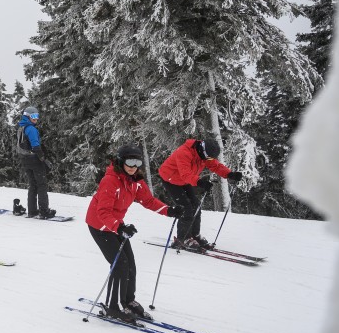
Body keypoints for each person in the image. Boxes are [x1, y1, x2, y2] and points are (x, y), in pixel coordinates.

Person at [86, 145, 184, 323]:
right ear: (121, 161)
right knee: (120, 265)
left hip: (116, 224)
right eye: (129, 161)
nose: (133, 166)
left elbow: (148, 201)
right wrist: (120, 227)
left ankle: (128, 300)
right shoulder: (110, 181)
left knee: (130, 264)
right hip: (99, 225)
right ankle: (112, 306)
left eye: (137, 162)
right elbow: (103, 211)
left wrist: (169, 211)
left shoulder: (135, 181)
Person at [157, 138, 243, 250]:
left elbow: (215, 165)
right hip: (170, 179)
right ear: (203, 150)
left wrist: (229, 174)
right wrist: (199, 182)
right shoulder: (184, 152)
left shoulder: (204, 154)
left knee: (196, 205)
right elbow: (185, 174)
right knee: (186, 207)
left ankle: (195, 235)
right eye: (208, 157)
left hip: (184, 180)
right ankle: (183, 238)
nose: (209, 159)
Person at [16, 106, 56, 219]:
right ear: (27, 116)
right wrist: (43, 159)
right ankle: (44, 211)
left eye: (37, 116)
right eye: (33, 116)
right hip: (34, 159)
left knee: (32, 185)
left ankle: (32, 210)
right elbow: (35, 146)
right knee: (42, 185)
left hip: (25, 159)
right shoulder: (31, 129)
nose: (36, 119)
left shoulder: (21, 128)